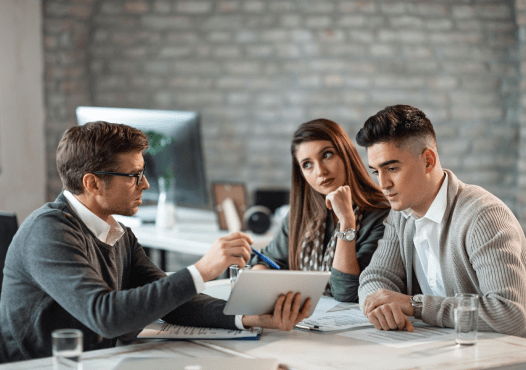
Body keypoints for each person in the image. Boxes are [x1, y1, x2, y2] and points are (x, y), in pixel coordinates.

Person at [0, 121, 311, 362]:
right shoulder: (48, 233)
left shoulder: (118, 231)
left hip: (100, 362)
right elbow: (106, 317)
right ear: (92, 183)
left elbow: (175, 302)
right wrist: (202, 269)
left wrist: (247, 317)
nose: (145, 184)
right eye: (134, 175)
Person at [356, 104, 526, 336]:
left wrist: (416, 305)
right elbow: (376, 276)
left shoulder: (484, 216)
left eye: (392, 168)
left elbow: (511, 315)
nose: (382, 184)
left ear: (428, 161)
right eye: (376, 171)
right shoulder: (401, 214)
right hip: (440, 350)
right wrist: (380, 305)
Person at [250, 119, 390, 302]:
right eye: (307, 164)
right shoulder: (300, 215)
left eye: (327, 155)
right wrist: (260, 274)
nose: (320, 171)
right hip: (303, 319)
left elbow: (346, 291)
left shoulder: (382, 214)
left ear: (345, 154)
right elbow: (266, 261)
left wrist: (347, 221)